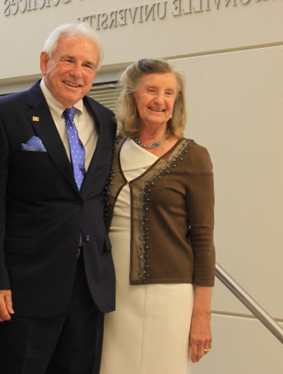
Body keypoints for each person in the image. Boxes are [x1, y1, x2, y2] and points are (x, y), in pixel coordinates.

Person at [0, 22, 116, 374]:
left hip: (88, 289)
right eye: (69, 60)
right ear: (44, 61)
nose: (78, 73)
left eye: (88, 65)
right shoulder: (3, 115)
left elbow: (93, 200)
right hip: (24, 290)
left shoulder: (106, 120)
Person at [100, 58, 215, 374]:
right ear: (132, 95)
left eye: (169, 93)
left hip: (169, 295)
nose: (160, 100)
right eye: (152, 90)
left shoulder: (194, 156)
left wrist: (201, 315)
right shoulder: (108, 148)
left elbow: (204, 241)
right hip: (111, 290)